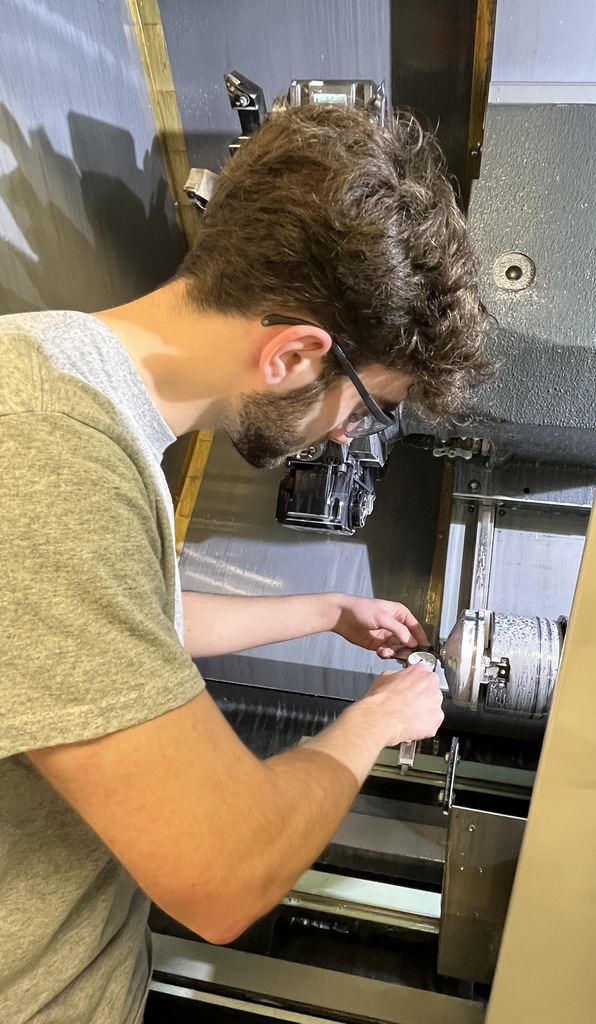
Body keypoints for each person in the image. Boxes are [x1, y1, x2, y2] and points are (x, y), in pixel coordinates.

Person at [0, 103, 489, 1024]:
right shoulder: (48, 446)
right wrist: (376, 722)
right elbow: (226, 877)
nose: (348, 437)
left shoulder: (67, 396)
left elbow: (108, 639)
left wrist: (320, 611)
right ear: (295, 354)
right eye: (365, 408)